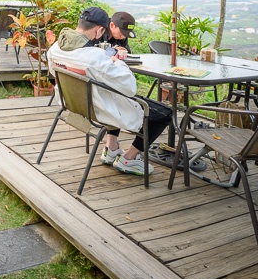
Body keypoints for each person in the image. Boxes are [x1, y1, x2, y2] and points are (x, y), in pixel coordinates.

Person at [46, 11, 171, 176]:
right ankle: (129, 159)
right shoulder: (94, 56)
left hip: (74, 104)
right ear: (99, 30)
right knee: (165, 113)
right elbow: (129, 87)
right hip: (100, 110)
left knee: (113, 94)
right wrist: (117, 61)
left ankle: (111, 148)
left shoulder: (54, 49)